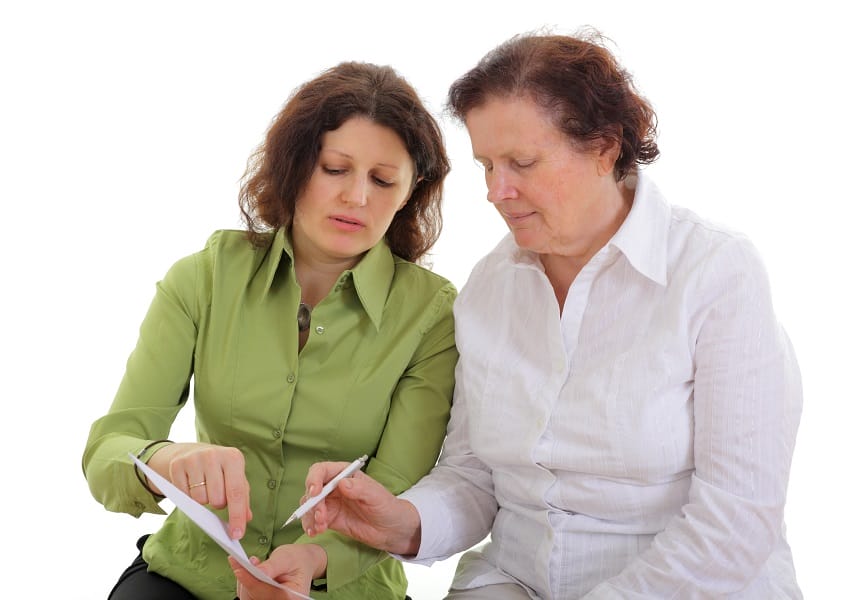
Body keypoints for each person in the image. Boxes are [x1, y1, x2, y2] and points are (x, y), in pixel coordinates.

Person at [283, 31, 803, 599]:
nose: (496, 191)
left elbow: (735, 521)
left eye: (522, 163)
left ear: (605, 148)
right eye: (486, 165)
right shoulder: (489, 286)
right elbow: (476, 475)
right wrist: (401, 522)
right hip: (515, 582)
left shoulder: (715, 273)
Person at [82, 61, 458, 600]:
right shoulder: (206, 277)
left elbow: (397, 489)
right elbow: (108, 450)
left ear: (410, 191)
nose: (357, 197)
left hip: (340, 586)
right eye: (335, 169)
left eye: (382, 180)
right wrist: (162, 460)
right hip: (191, 573)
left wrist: (315, 558)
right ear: (295, 164)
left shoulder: (432, 315)